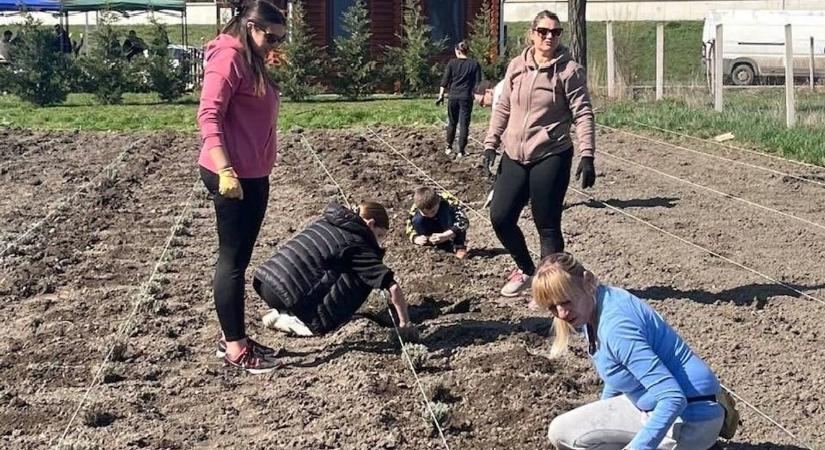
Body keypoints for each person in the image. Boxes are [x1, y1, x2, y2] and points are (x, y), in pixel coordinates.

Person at [532, 253, 727, 450]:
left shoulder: (617, 328)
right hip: (653, 405)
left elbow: (672, 398)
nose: (561, 314)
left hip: (692, 418)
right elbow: (616, 373)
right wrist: (603, 414)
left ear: (587, 281)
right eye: (553, 307)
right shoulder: (594, 305)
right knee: (563, 431)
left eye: (566, 301)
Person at [196, 0, 287, 374]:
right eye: (270, 37)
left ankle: (232, 336)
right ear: (250, 26)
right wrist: (226, 170)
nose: (274, 46)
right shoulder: (228, 57)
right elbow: (208, 114)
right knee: (232, 262)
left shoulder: (250, 57)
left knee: (239, 258)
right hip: (232, 175)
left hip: (251, 172)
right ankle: (235, 347)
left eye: (281, 40)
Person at [483, 10, 597, 297]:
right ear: (532, 33)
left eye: (555, 32)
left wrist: (587, 154)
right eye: (544, 31)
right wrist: (490, 144)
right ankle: (526, 270)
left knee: (546, 225)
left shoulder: (569, 71)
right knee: (500, 216)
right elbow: (503, 108)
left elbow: (583, 113)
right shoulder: (516, 66)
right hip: (514, 153)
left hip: (551, 154)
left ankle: (548, 290)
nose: (549, 37)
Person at [253, 202, 418, 341]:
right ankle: (288, 320)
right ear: (370, 224)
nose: (378, 241)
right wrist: (405, 324)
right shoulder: (357, 244)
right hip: (284, 293)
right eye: (380, 235)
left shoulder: (330, 221)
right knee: (317, 327)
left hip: (266, 281)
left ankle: (283, 311)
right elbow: (393, 287)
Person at [436, 40, 482, 158]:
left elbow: (445, 81)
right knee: (464, 125)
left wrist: (441, 95)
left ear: (457, 51)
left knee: (452, 122)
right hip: (466, 97)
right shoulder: (474, 64)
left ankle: (448, 147)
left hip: (453, 96)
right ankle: (461, 150)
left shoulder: (452, 63)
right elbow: (478, 84)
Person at [406, 187, 470, 259]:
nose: (430, 215)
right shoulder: (415, 208)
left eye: (433, 211)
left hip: (447, 227)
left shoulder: (449, 200)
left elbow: (464, 222)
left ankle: (459, 246)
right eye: (425, 213)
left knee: (446, 212)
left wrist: (446, 235)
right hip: (430, 230)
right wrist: (415, 238)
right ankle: (432, 246)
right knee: (417, 220)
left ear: (438, 202)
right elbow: (409, 227)